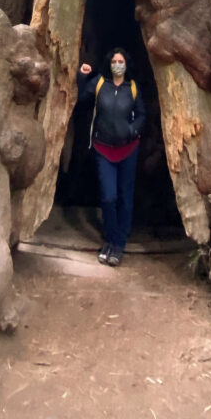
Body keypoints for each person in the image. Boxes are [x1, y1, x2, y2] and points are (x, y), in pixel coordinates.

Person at [77, 47, 145, 266]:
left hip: (128, 149)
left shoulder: (132, 88)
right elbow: (81, 99)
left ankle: (117, 245)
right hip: (103, 148)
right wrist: (82, 76)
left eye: (121, 61)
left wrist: (132, 130)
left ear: (126, 64)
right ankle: (110, 238)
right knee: (108, 197)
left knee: (125, 197)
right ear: (109, 63)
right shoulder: (99, 84)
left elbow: (142, 114)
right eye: (114, 61)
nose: (117, 64)